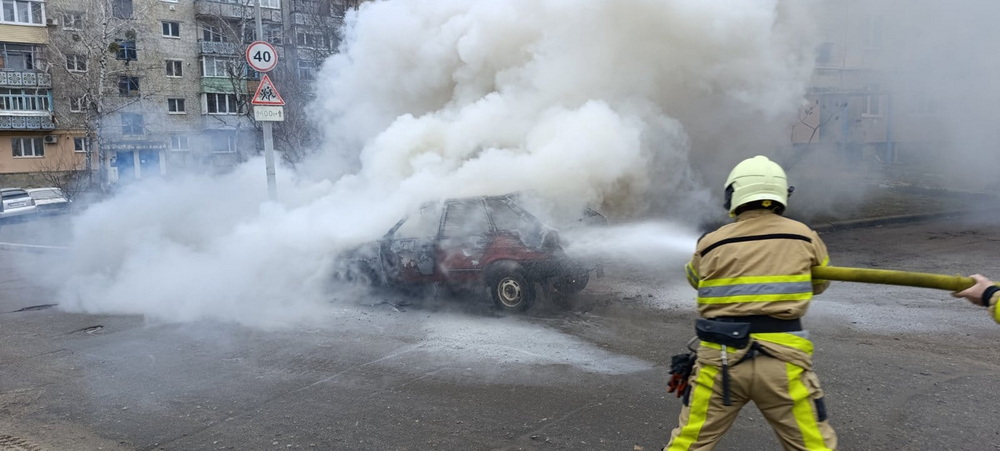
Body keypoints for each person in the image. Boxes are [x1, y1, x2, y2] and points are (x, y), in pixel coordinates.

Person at [665, 155, 837, 451]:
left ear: (733, 195)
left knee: (687, 444)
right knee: (814, 446)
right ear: (781, 194)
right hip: (783, 363)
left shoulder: (711, 242)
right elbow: (820, 283)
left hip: (720, 362)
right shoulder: (804, 236)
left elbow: (694, 279)